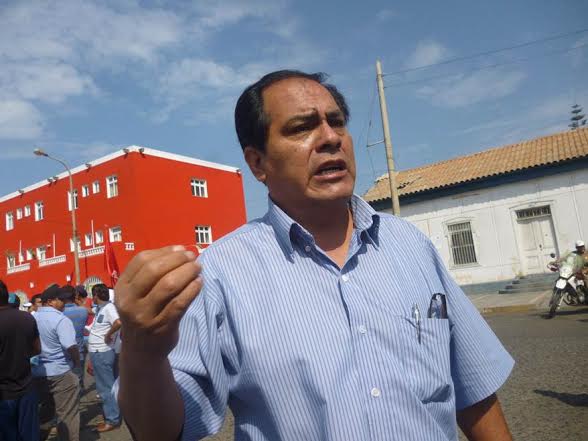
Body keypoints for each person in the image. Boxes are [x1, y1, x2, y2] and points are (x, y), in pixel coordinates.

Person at [116, 70, 515, 441]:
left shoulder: (411, 245)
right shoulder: (218, 275)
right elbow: (159, 431)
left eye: (336, 121)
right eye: (302, 127)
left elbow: (473, 388)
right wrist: (143, 350)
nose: (330, 138)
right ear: (258, 163)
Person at [33, 285, 81, 441]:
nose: (64, 303)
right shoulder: (61, 320)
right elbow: (71, 346)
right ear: (50, 301)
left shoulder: (32, 317)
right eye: (61, 300)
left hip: (38, 372)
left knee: (45, 411)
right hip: (61, 371)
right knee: (67, 414)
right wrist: (77, 364)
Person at [0, 280, 41, 441]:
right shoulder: (27, 318)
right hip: (26, 385)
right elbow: (37, 349)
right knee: (30, 434)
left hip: (4, 393)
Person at [88, 283, 122, 433]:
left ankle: (112, 419)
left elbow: (118, 322)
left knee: (105, 387)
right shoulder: (101, 308)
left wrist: (108, 334)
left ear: (96, 296)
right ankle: (113, 414)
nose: (92, 298)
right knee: (108, 385)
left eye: (92, 295)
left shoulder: (108, 308)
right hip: (98, 351)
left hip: (102, 351)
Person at [61, 285, 88, 394]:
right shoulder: (83, 311)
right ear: (75, 296)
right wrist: (77, 300)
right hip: (79, 348)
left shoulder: (60, 313)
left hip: (63, 351)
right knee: (78, 375)